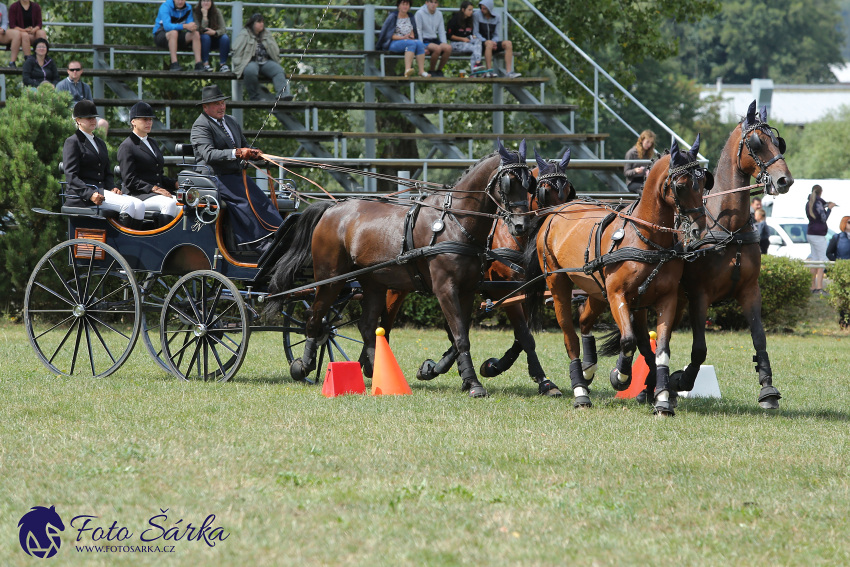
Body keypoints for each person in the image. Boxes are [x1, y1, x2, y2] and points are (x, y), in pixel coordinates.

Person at [190, 85, 282, 253]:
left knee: (260, 198)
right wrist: (238, 152)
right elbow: (209, 155)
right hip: (214, 176)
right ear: (206, 107)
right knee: (243, 201)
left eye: (223, 103)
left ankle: (279, 233)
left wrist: (254, 153)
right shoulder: (200, 126)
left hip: (234, 175)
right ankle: (258, 243)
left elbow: (244, 145)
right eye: (217, 104)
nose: (222, 107)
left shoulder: (230, 121)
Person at [63, 100, 145, 229]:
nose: (93, 121)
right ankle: (122, 244)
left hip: (103, 191)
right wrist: (90, 194)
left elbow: (107, 171)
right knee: (128, 205)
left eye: (94, 118)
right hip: (83, 196)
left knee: (140, 205)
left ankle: (134, 243)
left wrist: (112, 187)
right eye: (89, 118)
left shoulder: (100, 143)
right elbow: (71, 176)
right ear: (78, 120)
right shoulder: (72, 142)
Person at [117, 102, 180, 228]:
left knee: (182, 204)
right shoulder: (127, 146)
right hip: (137, 194)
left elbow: (157, 175)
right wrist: (155, 189)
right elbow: (130, 180)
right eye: (145, 119)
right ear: (133, 122)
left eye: (150, 120)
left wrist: (175, 184)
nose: (149, 123)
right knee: (169, 204)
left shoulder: (152, 142)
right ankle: (162, 242)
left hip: (154, 193)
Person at [232, 13, 292, 101]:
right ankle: (254, 97)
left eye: (263, 22)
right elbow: (236, 50)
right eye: (259, 22)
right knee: (250, 71)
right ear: (252, 23)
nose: (262, 24)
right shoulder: (244, 33)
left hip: (265, 61)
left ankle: (282, 94)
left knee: (278, 70)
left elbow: (275, 51)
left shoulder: (267, 34)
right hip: (250, 61)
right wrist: (239, 64)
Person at [376, 0, 430, 78]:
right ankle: (407, 70)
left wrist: (411, 37)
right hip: (393, 42)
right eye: (403, 4)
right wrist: (403, 38)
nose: (405, 6)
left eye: (407, 4)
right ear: (399, 6)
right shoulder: (393, 16)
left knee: (419, 43)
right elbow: (388, 35)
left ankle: (421, 71)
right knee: (411, 43)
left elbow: (412, 31)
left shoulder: (410, 16)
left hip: (407, 41)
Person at [55, 61, 110, 134]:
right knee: (82, 124)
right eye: (72, 70)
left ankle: (99, 145)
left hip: (86, 115)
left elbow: (91, 105)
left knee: (103, 123)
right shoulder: (61, 85)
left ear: (81, 71)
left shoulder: (86, 87)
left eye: (77, 69)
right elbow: (58, 107)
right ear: (68, 71)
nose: (75, 71)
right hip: (69, 116)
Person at [152, 0, 203, 72]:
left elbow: (189, 25)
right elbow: (167, 27)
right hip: (160, 35)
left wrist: (192, 27)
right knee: (174, 32)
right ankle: (174, 64)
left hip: (176, 36)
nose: (180, 1)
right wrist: (185, 26)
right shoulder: (165, 6)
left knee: (195, 34)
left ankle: (198, 64)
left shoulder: (188, 8)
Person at [473, 0, 518, 78]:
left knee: (508, 43)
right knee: (489, 43)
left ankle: (509, 73)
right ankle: (488, 72)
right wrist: (487, 41)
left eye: (484, 9)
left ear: (490, 9)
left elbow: (496, 34)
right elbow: (476, 33)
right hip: (480, 43)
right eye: (481, 8)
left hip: (492, 43)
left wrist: (494, 42)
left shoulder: (497, 17)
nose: (482, 10)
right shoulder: (476, 15)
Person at [806, 184, 836, 295]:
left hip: (810, 232)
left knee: (814, 259)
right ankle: (819, 287)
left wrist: (826, 204)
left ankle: (812, 286)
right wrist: (829, 209)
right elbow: (823, 218)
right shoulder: (818, 203)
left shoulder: (809, 203)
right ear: (821, 192)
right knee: (822, 260)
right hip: (818, 234)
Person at [415, 0, 451, 77]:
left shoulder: (439, 14)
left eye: (435, 2)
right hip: (424, 40)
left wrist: (444, 43)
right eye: (431, 2)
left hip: (434, 39)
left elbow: (441, 31)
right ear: (426, 2)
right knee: (437, 49)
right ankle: (432, 70)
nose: (433, 4)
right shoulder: (419, 13)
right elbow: (418, 31)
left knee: (448, 48)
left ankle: (439, 70)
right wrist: (422, 47)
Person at [193, 0, 230, 72]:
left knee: (225, 38)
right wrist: (205, 15)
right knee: (206, 37)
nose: (206, 3)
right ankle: (205, 64)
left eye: (208, 1)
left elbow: (223, 29)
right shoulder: (195, 12)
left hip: (215, 38)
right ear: (200, 2)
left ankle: (223, 64)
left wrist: (215, 33)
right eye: (204, 1)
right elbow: (202, 29)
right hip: (202, 41)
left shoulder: (217, 11)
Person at [447, 1, 482, 74]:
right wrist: (462, 39)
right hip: (455, 44)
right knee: (474, 48)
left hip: (467, 40)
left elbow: (473, 34)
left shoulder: (470, 20)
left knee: (478, 41)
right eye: (469, 10)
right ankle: (475, 70)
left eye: (472, 10)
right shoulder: (454, 20)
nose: (471, 12)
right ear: (463, 10)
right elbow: (449, 36)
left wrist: (473, 37)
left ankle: (477, 65)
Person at [623, 129, 655, 195]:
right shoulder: (631, 153)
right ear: (642, 140)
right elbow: (626, 172)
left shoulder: (648, 154)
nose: (649, 145)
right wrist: (635, 171)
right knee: (646, 189)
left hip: (645, 180)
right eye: (647, 142)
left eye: (651, 143)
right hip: (633, 182)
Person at [0, 3, 23, 67]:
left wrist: (3, 29)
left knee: (16, 33)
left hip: (0, 33)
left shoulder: (2, 6)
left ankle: (12, 63)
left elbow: (5, 22)